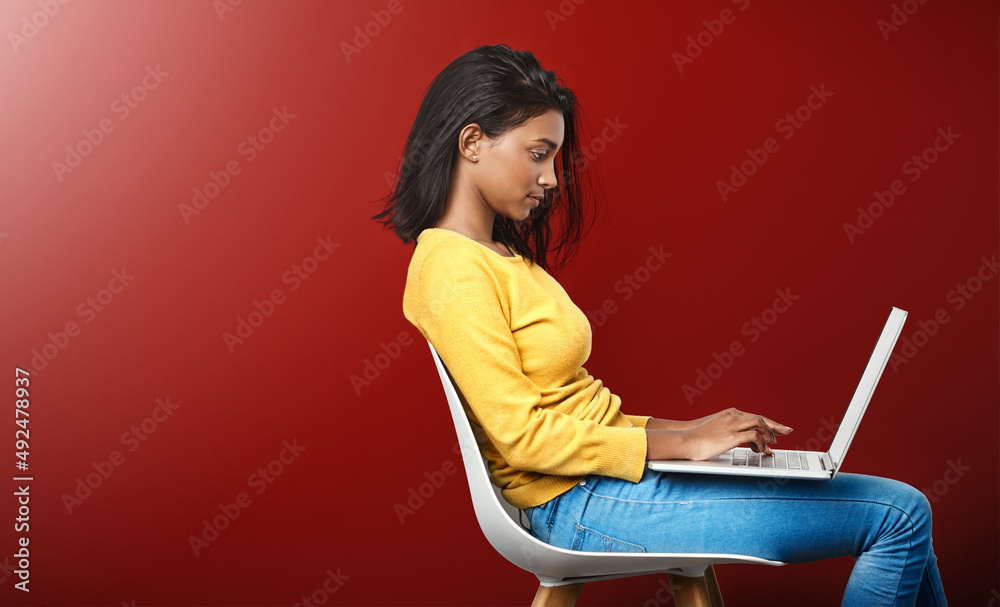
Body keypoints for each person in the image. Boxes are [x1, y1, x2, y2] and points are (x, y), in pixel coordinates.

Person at [373, 43, 947, 606]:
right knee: (901, 516)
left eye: (555, 158)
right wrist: (681, 442)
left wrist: (696, 431)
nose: (552, 178)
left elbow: (580, 410)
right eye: (538, 152)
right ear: (472, 142)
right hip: (578, 505)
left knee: (907, 524)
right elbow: (523, 436)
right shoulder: (449, 268)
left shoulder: (503, 258)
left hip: (608, 486)